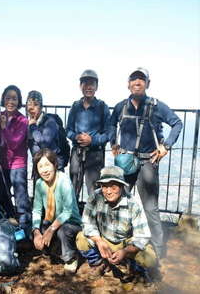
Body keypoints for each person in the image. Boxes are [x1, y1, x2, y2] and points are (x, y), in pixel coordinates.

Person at [110, 68, 182, 258]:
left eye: (141, 79)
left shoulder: (156, 106)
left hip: (147, 162)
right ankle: (118, 245)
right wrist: (113, 142)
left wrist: (165, 146)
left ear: (148, 83)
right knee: (119, 202)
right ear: (128, 83)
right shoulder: (121, 107)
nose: (137, 82)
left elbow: (177, 123)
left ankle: (158, 251)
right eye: (134, 79)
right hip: (125, 162)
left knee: (150, 207)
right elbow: (111, 123)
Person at [76, 166, 158, 280]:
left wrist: (125, 251)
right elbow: (87, 223)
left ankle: (130, 267)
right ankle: (100, 263)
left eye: (113, 187)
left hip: (125, 243)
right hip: (104, 240)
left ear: (121, 186)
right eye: (104, 187)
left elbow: (142, 236)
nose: (108, 191)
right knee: (81, 239)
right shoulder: (95, 196)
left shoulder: (133, 204)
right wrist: (99, 241)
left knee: (149, 259)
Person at [31, 148, 82, 273]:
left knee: (63, 231)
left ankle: (70, 258)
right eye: (40, 166)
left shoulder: (64, 180)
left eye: (47, 165)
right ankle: (53, 252)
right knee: (40, 229)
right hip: (52, 221)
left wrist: (51, 229)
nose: (44, 170)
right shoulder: (39, 184)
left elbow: (67, 212)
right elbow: (37, 210)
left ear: (55, 165)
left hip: (71, 223)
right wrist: (36, 232)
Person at [66, 69, 111, 201]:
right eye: (85, 84)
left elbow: (109, 134)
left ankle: (93, 219)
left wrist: (93, 140)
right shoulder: (75, 107)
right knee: (73, 188)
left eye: (92, 84)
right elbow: (68, 129)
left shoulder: (102, 107)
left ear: (97, 87)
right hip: (77, 153)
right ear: (80, 86)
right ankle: (72, 218)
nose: (88, 87)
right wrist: (76, 137)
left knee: (94, 190)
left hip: (95, 154)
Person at [0, 85, 31, 235]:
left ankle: (25, 229)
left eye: (14, 98)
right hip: (3, 163)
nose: (10, 101)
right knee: (4, 196)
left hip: (18, 164)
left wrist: (4, 127)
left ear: (19, 101)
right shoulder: (0, 116)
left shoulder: (23, 120)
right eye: (8, 98)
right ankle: (7, 226)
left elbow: (14, 143)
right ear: (3, 99)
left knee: (21, 198)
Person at [26, 90, 68, 173]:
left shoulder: (50, 122)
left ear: (41, 107)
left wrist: (33, 126)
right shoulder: (29, 122)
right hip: (40, 166)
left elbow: (44, 143)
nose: (31, 108)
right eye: (29, 104)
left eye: (36, 104)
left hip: (54, 167)